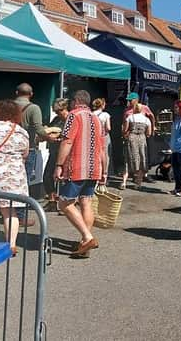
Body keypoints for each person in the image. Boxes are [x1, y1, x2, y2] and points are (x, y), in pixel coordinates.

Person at [54, 90, 107, 258]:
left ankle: (87, 237)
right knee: (86, 203)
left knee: (64, 204)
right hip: (94, 168)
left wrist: (59, 165)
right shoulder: (97, 119)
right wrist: (104, 170)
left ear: (76, 101)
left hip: (76, 167)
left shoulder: (73, 115)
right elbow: (102, 148)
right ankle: (85, 245)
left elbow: (67, 141)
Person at [0, 100, 29, 256]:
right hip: (16, 175)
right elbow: (25, 154)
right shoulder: (22, 131)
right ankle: (11, 245)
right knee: (9, 211)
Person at [13, 83, 47, 202]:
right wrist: (48, 137)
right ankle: (21, 213)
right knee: (24, 179)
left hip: (9, 147)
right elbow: (38, 128)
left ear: (16, 93)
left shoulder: (8, 106)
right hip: (27, 148)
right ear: (31, 94)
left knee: (10, 178)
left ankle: (4, 207)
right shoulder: (34, 108)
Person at [42, 98, 70, 212]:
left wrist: (57, 138)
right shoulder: (56, 119)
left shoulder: (70, 119)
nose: (58, 113)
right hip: (54, 152)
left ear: (64, 108)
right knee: (47, 176)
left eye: (59, 111)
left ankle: (66, 205)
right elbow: (48, 130)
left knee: (64, 178)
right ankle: (52, 201)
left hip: (66, 154)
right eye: (56, 111)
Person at [122, 99, 151, 190]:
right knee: (142, 159)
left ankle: (124, 182)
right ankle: (138, 183)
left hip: (132, 138)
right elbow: (149, 133)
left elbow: (125, 130)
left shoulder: (130, 118)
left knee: (128, 159)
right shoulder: (146, 120)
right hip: (142, 139)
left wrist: (125, 134)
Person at [92, 98, 112, 179]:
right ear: (102, 105)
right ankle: (104, 174)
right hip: (103, 136)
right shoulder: (106, 115)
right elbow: (108, 128)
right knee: (105, 155)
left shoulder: (91, 114)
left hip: (93, 136)